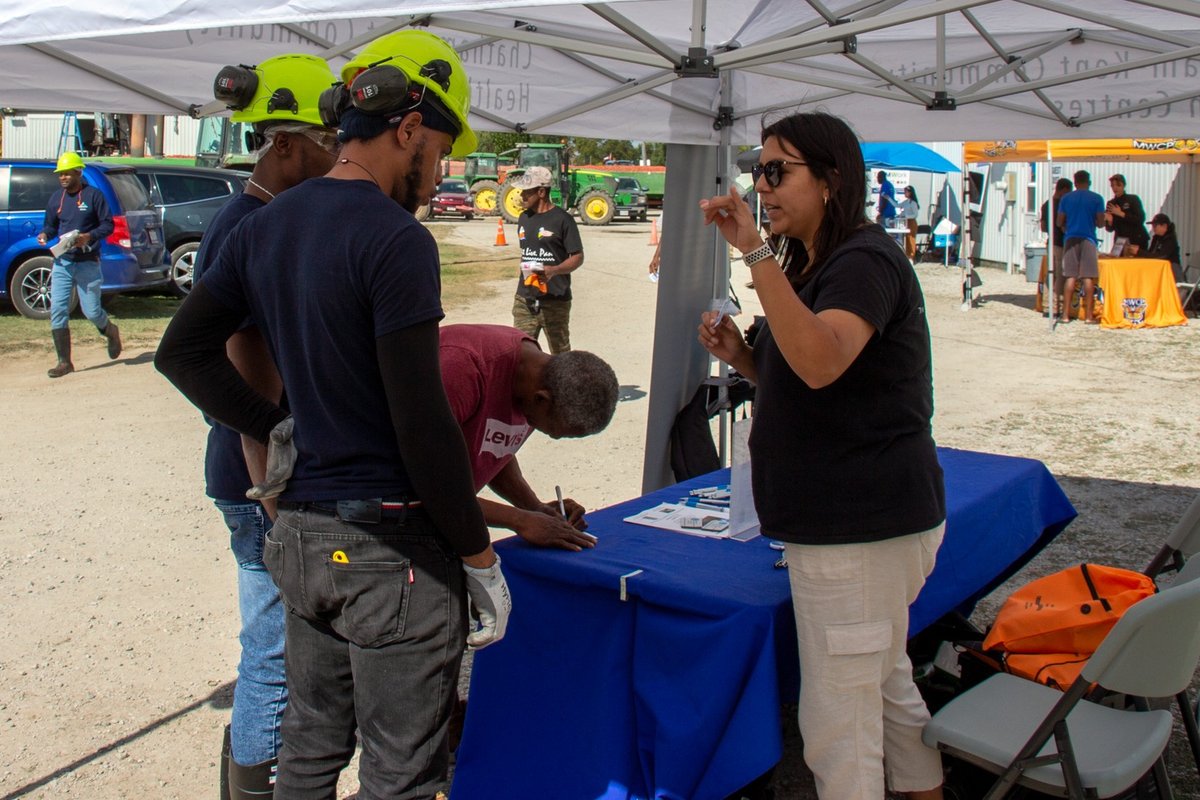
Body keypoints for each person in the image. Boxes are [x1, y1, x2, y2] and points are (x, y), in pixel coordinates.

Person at [156, 29, 511, 800]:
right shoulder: (396, 237)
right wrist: (479, 555)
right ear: (407, 128)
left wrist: (277, 428)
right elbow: (421, 422)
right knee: (400, 768)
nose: (437, 176)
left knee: (311, 749)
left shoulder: (267, 224)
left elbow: (181, 352)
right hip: (389, 547)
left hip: (303, 540)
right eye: (439, 154)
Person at [696, 111, 945, 800]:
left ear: (831, 180)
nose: (762, 187)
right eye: (758, 171)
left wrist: (754, 253)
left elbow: (822, 360)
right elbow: (812, 380)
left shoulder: (862, 261)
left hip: (859, 528)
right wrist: (744, 357)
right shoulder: (815, 264)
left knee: (839, 725)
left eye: (778, 171)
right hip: (851, 523)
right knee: (883, 686)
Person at [189, 53, 341, 799]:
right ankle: (253, 784)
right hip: (259, 485)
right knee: (276, 652)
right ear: (284, 144)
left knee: (276, 646)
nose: (338, 153)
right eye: (326, 140)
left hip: (258, 476)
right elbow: (246, 377)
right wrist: (277, 506)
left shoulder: (257, 219)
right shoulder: (250, 226)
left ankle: (248, 773)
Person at [441, 323, 618, 551]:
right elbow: (424, 486)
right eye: (553, 430)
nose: (553, 437)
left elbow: (492, 447)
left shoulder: (535, 382)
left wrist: (535, 508)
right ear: (542, 399)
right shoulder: (460, 369)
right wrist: (520, 520)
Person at [38, 152, 121, 378]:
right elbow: (50, 226)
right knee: (58, 310)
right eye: (60, 174)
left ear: (78, 173)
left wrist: (89, 236)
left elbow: (108, 225)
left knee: (91, 311)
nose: (63, 178)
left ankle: (110, 331)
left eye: (67, 173)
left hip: (87, 263)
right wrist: (45, 235)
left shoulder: (94, 196)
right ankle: (64, 362)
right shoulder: (57, 198)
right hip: (63, 263)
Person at [511, 165, 584, 353]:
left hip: (555, 300)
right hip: (525, 298)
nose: (522, 195)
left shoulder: (563, 220)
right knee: (520, 352)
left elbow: (578, 257)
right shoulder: (523, 218)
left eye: (527, 191)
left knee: (561, 354)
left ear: (541, 192)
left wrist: (554, 270)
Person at [1056, 169, 1107, 324]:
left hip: (1070, 237)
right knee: (1088, 277)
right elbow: (1101, 223)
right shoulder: (1097, 198)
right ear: (1089, 182)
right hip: (1089, 238)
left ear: (1075, 182)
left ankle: (1065, 315)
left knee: (1070, 276)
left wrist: (1067, 226)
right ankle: (1089, 316)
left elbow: (1059, 222)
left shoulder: (1066, 198)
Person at [1038, 177, 1073, 315]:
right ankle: (1056, 305)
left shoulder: (1046, 204)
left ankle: (1047, 305)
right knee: (1060, 275)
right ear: (1064, 190)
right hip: (1060, 243)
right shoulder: (1063, 204)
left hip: (1050, 242)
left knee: (1050, 274)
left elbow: (1042, 226)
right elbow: (1064, 225)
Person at [1104, 173, 1149, 254]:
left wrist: (1121, 214)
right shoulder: (1111, 203)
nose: (1115, 188)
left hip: (1136, 238)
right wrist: (1110, 221)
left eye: (1118, 185)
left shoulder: (1133, 199)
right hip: (1120, 240)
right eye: (1113, 186)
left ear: (1123, 185)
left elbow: (1140, 219)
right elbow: (1109, 229)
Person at [1146, 212, 1183, 282]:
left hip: (1171, 272)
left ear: (1164, 226)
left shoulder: (1170, 239)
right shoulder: (1156, 237)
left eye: (1155, 226)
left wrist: (1139, 252)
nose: (1153, 229)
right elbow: (1150, 253)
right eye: (1153, 226)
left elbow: (1161, 256)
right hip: (1160, 270)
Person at [895, 185, 920, 259]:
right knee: (906, 239)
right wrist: (889, 198)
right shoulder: (906, 202)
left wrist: (906, 216)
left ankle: (912, 256)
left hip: (912, 223)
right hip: (906, 222)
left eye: (906, 192)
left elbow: (915, 215)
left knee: (911, 239)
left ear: (910, 193)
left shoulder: (913, 203)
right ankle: (908, 255)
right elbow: (897, 205)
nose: (904, 193)